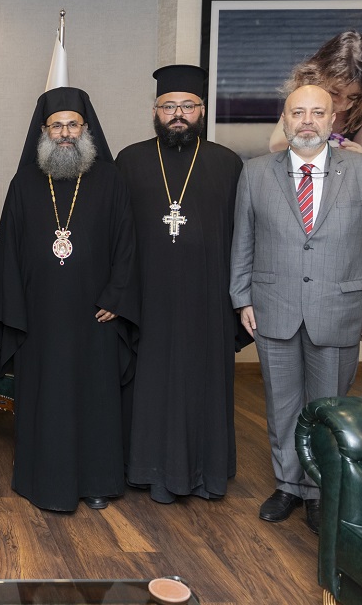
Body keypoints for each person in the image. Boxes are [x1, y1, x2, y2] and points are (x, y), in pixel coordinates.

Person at [231, 84, 362, 534]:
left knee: (329, 409)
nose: (307, 121)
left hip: (339, 309)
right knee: (282, 405)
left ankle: (320, 490)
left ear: (332, 120)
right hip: (273, 307)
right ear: (284, 120)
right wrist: (242, 298)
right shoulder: (255, 172)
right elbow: (242, 242)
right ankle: (288, 485)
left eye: (317, 113)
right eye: (297, 112)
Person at [0, 87, 139, 511]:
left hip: (96, 314)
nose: (66, 133)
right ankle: (41, 480)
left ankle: (96, 481)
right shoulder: (24, 183)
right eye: (57, 126)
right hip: (40, 317)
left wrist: (117, 296)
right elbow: (8, 251)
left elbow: (127, 243)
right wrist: (16, 308)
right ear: (44, 131)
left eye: (73, 125)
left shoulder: (110, 180)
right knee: (45, 400)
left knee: (95, 397)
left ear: (86, 130)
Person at [116, 65, 243, 504]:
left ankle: (205, 472)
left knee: (202, 381)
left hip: (208, 297)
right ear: (154, 111)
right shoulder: (130, 160)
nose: (178, 114)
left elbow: (243, 237)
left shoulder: (227, 163)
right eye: (168, 106)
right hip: (146, 296)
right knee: (149, 381)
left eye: (188, 106)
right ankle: (145, 468)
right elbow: (115, 234)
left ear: (202, 111)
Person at [268, 31, 362, 154]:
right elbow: (277, 145)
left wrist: (357, 155)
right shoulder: (306, 96)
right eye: (334, 93)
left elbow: (361, 150)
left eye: (353, 97)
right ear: (319, 77)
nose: (342, 105)